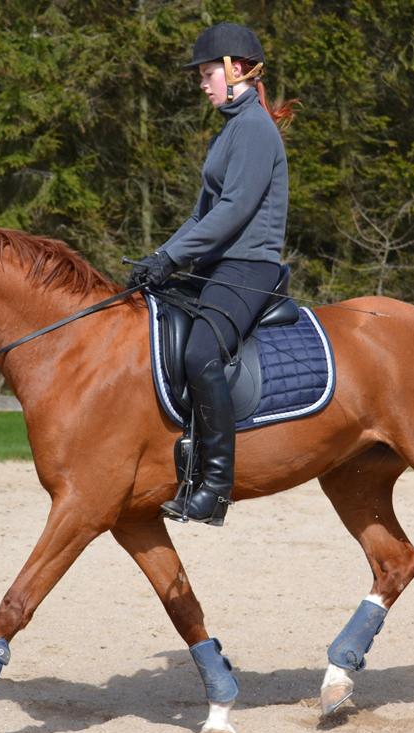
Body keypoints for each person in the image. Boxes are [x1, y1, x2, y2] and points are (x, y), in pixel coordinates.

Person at [129, 22, 296, 526]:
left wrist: (175, 258)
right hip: (217, 264)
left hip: (249, 267)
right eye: (201, 75)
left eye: (207, 74)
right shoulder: (229, 130)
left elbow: (234, 211)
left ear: (235, 69)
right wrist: (160, 257)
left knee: (202, 353)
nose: (202, 84)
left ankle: (215, 487)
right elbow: (203, 215)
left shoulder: (255, 129)